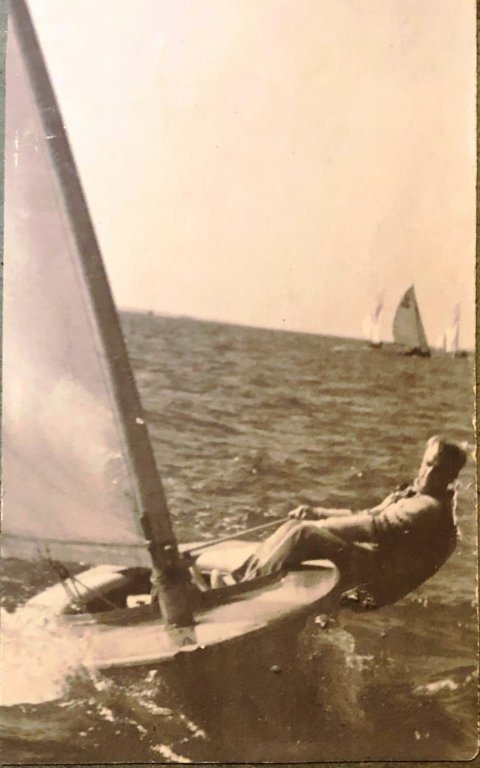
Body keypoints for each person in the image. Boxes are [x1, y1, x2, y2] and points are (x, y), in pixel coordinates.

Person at [239, 436, 467, 608]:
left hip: (374, 584)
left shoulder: (428, 508)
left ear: (452, 477)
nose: (428, 473)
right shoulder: (416, 495)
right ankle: (244, 576)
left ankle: (243, 590)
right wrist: (317, 513)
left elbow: (374, 526)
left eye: (439, 470)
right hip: (371, 565)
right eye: (427, 464)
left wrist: (319, 526)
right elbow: (368, 513)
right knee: (294, 526)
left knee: (303, 534)